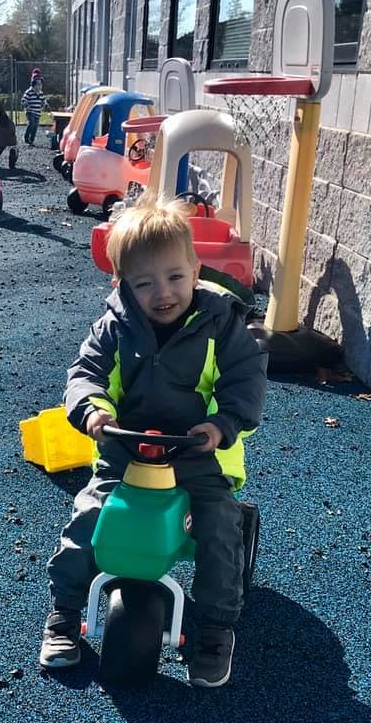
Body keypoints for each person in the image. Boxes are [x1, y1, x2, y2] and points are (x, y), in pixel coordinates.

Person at [39, 199, 267, 687]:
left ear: (196, 270)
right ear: (122, 284)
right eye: (144, 283)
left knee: (218, 526)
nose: (162, 293)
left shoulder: (220, 323)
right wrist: (92, 409)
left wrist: (222, 424)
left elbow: (245, 379)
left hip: (196, 454)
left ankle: (215, 627)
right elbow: (85, 373)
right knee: (89, 517)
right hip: (126, 452)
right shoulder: (113, 327)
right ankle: (65, 611)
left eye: (175, 277)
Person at [21, 77, 48, 146]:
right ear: (34, 85)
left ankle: (32, 140)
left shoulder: (41, 93)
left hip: (38, 112)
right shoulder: (29, 92)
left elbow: (44, 100)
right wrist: (27, 106)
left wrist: (45, 105)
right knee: (31, 123)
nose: (40, 86)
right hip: (30, 112)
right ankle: (26, 137)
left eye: (41, 85)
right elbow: (23, 100)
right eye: (38, 84)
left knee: (35, 127)